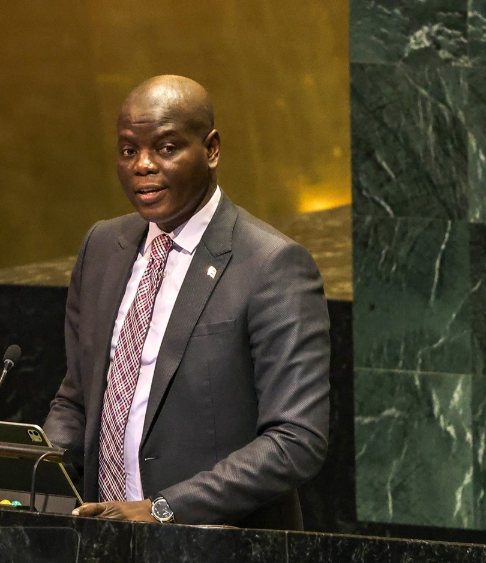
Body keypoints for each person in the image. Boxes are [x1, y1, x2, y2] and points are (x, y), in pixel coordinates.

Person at [43, 75, 330, 529]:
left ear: (211, 149)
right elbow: (78, 401)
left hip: (218, 560)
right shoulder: (102, 247)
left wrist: (163, 509)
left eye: (166, 147)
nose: (142, 165)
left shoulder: (273, 265)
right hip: (103, 546)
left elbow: (296, 439)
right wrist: (25, 478)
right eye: (127, 150)